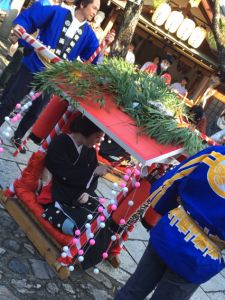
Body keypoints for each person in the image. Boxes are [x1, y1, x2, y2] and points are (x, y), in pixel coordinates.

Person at [114, 145, 225, 300]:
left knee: (133, 290)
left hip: (172, 229)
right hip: (200, 257)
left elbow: (174, 179)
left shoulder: (217, 153)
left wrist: (161, 208)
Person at [0, 0, 100, 151]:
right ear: (82, 4)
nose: (95, 13)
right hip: (33, 64)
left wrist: (95, 64)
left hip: (53, 78)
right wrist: (21, 28)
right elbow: (32, 17)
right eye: (94, 8)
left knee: (35, 111)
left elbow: (93, 58)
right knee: (11, 100)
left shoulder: (89, 35)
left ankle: (18, 136)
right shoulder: (57, 12)